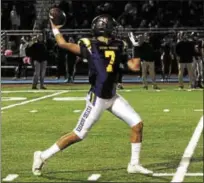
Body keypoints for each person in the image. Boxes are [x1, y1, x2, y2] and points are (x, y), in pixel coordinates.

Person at [32, 14, 153, 176]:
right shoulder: (89, 45)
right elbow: (62, 44)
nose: (115, 29)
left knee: (137, 124)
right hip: (97, 98)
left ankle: (134, 164)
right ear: (105, 28)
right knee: (78, 134)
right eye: (112, 26)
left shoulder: (119, 45)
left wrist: (136, 47)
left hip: (112, 96)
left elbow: (135, 66)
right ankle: (42, 155)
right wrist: (55, 28)